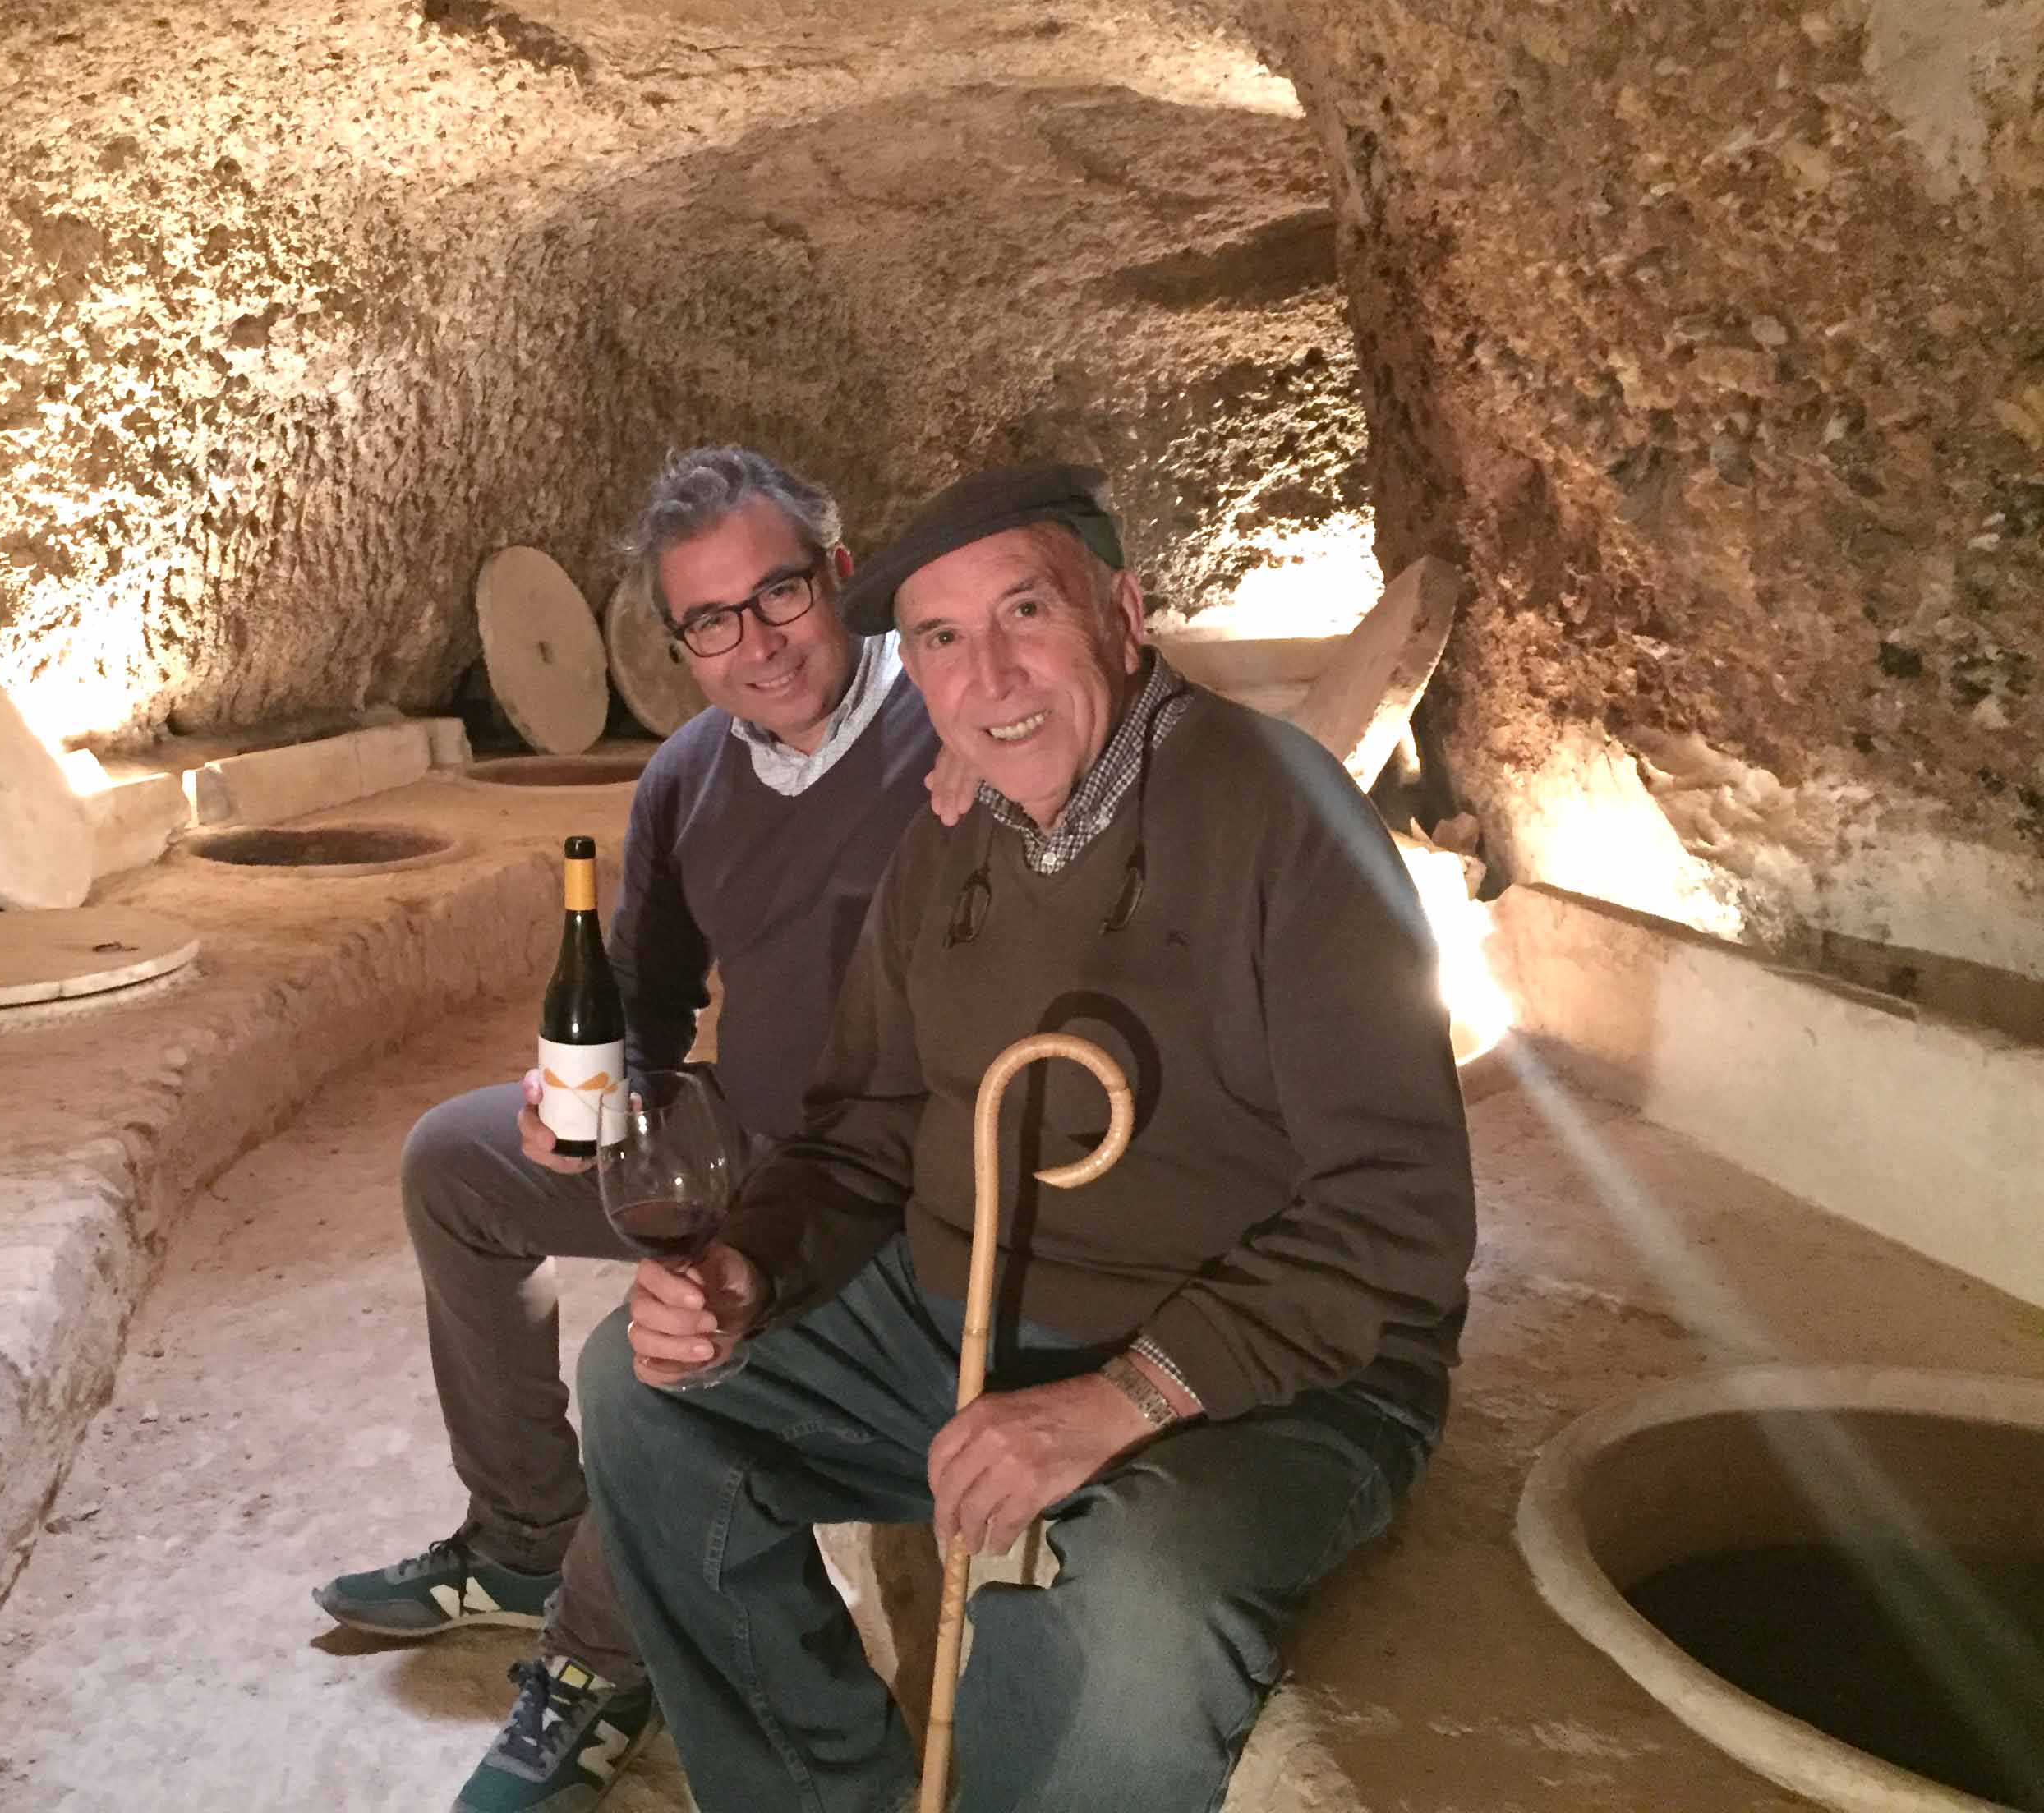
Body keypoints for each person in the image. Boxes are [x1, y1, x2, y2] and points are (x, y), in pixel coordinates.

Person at [578, 461, 1477, 1813]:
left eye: (1025, 614)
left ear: (1123, 609)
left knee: (1131, 1594)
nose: (988, 675)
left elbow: (1399, 1219)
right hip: (962, 1316)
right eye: (940, 639)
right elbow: (868, 1125)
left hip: (1257, 1375)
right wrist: (750, 1270)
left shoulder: (1281, 815)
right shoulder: (950, 841)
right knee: (641, 1392)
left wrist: (1121, 1400)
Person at [312, 445, 945, 1813]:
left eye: (776, 596)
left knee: (657, 1352)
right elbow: (648, 1012)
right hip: (732, 1137)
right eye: (708, 621)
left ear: (840, 575)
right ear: (677, 644)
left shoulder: (950, 736)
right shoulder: (689, 776)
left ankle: (597, 1658)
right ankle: (527, 1534)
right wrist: (586, 1103)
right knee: (455, 1163)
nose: (753, 645)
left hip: (877, 1189)